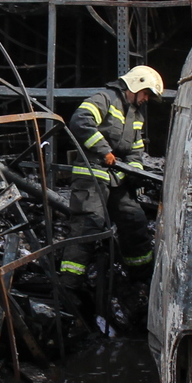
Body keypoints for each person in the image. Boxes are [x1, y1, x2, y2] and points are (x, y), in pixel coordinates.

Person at [57, 65, 163, 315]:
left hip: (116, 178)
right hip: (91, 173)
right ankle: (68, 289)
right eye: (146, 93)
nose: (146, 99)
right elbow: (80, 121)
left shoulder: (136, 116)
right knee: (89, 223)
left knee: (134, 220)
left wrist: (134, 171)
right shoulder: (104, 99)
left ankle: (141, 280)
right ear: (136, 84)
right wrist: (105, 151)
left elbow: (136, 150)